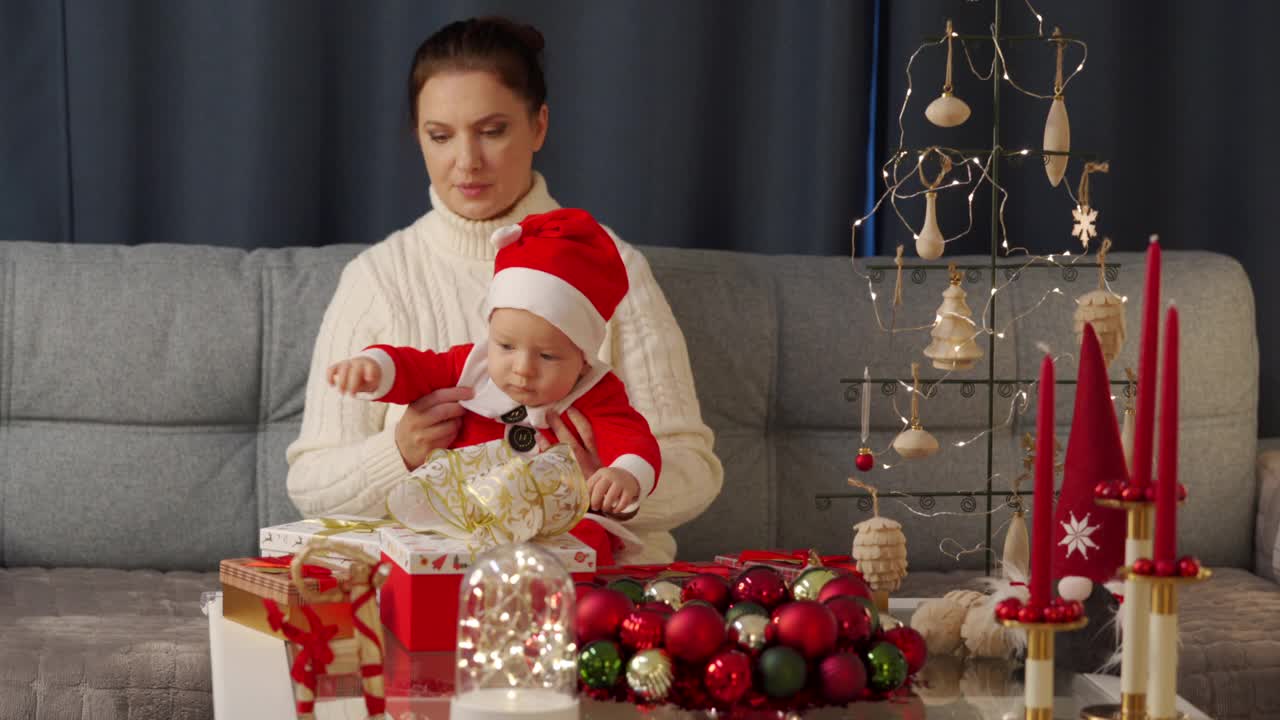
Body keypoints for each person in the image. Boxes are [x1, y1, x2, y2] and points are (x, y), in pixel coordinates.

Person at [286, 16, 723, 564]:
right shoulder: (378, 277)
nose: (465, 161)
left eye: (492, 130)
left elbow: (694, 470)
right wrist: (397, 453)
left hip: (594, 584)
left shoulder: (614, 268)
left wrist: (607, 487)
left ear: (539, 126)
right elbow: (309, 484)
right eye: (440, 135)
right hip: (436, 580)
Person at [327, 208, 661, 564]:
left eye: (547, 356)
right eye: (505, 346)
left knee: (589, 538)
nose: (522, 369)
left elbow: (633, 439)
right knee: (416, 535)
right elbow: (415, 367)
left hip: (553, 523)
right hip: (462, 512)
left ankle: (562, 603)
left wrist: (625, 475)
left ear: (582, 359)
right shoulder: (473, 366)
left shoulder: (596, 392)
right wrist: (375, 368)